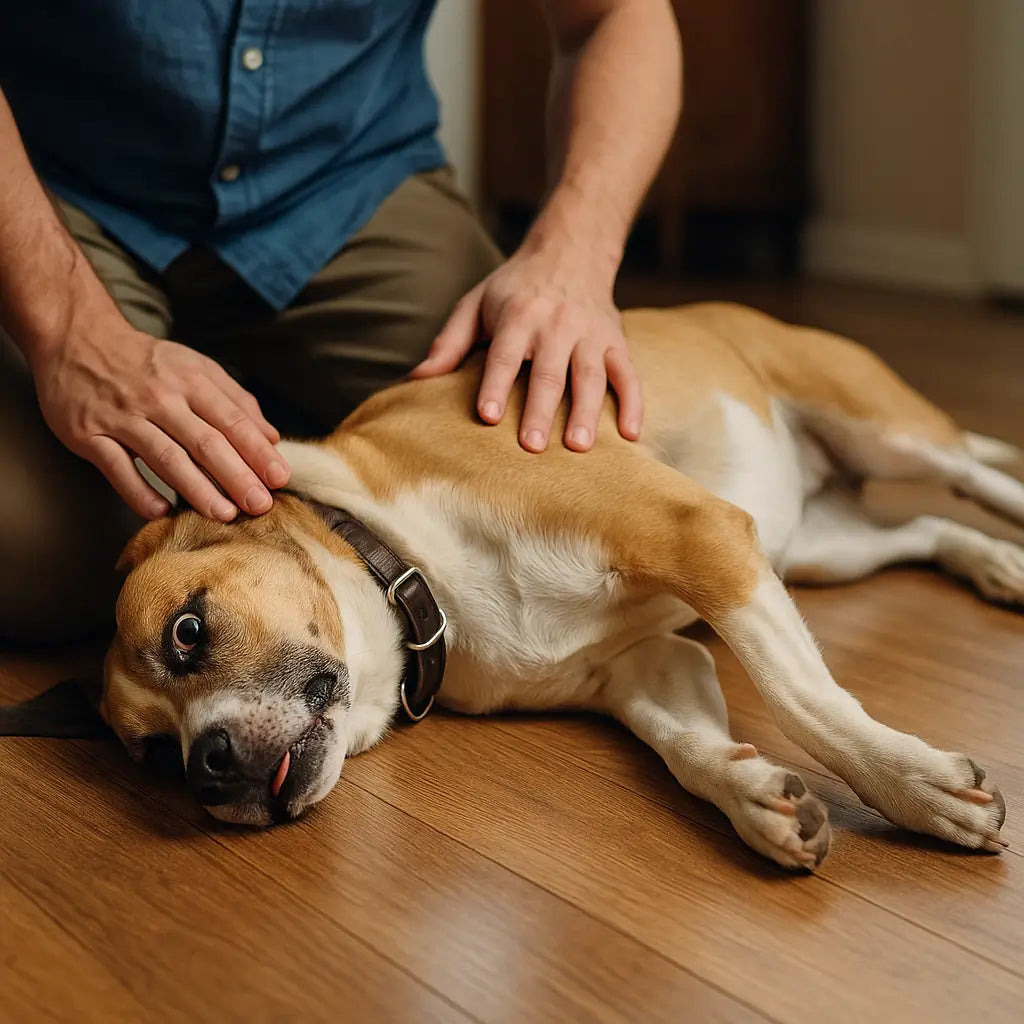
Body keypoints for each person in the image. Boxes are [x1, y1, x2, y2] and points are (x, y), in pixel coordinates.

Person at [0, 0, 682, 644]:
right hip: (61, 199)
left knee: (562, 483)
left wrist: (572, 254)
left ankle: (276, 432)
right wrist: (66, 330)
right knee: (29, 550)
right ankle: (293, 442)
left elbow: (617, 15)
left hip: (347, 184)